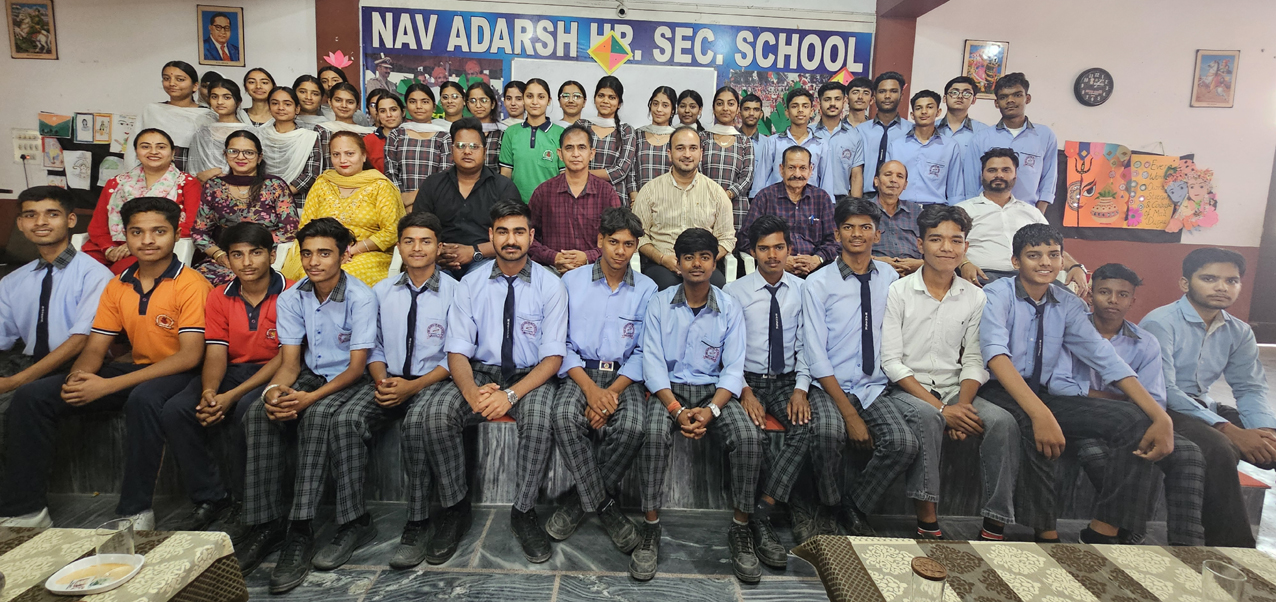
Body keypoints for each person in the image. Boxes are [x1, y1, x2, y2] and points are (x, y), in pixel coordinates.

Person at [0, 198, 210, 530]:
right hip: (136, 370)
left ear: (176, 233)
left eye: (159, 232)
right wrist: (78, 377)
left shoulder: (191, 284)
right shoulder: (118, 284)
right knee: (33, 395)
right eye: (137, 232)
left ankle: (135, 510)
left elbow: (189, 356)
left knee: (144, 399)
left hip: (180, 373)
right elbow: (95, 347)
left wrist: (108, 385)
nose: (147, 240)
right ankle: (27, 510)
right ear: (125, 235)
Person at [978, 223, 1173, 544]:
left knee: (1134, 420)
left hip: (1045, 393)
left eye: (1053, 255)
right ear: (1015, 261)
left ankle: (1104, 528)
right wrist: (1041, 414)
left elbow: (1106, 358)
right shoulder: (997, 295)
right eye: (1034, 255)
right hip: (1000, 388)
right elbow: (997, 357)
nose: (1045, 262)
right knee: (1033, 428)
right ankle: (1045, 531)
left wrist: (1160, 416)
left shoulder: (1068, 303)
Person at [234, 218, 378, 592]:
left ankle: (300, 529)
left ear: (344, 255)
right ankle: (265, 523)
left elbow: (356, 367)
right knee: (258, 414)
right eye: (308, 253)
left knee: (317, 416)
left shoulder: (361, 297)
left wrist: (308, 399)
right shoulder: (292, 297)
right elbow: (290, 364)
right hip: (311, 375)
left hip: (351, 380)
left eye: (325, 253)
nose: (314, 262)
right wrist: (274, 393)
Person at [420, 200, 567, 564]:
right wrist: (472, 392)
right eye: (502, 232)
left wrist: (511, 395)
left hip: (529, 376)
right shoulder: (470, 284)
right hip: (480, 372)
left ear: (531, 236)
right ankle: (455, 509)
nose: (510, 240)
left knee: (540, 420)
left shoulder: (551, 285)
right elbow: (457, 350)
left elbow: (553, 358)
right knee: (436, 414)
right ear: (491, 235)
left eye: (518, 232)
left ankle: (524, 511)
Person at [316, 212, 458, 570]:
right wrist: (381, 381)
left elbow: (457, 354)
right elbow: (373, 345)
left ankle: (418, 522)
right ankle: (353, 522)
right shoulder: (380, 291)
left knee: (418, 423)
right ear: (398, 246)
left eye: (425, 241)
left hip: (432, 381)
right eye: (408, 241)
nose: (417, 248)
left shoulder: (457, 292)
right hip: (387, 379)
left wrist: (414, 386)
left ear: (439, 247)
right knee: (346, 420)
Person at [879, 204, 1020, 541]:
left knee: (1004, 422)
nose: (946, 248)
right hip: (907, 389)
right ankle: (927, 520)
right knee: (929, 418)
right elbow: (891, 362)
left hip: (955, 389)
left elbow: (974, 360)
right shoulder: (898, 291)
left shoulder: (975, 297)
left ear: (965, 247)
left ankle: (995, 522)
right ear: (920, 244)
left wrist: (962, 407)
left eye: (956, 240)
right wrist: (943, 411)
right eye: (936, 239)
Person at [632, 227, 761, 583]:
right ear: (677, 263)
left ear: (714, 262)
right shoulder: (660, 303)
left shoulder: (728, 306)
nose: (697, 264)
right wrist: (675, 409)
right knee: (652, 435)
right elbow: (652, 364)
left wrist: (712, 410)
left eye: (704, 257)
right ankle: (651, 525)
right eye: (688, 257)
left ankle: (741, 527)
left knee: (748, 438)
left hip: (713, 391)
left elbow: (733, 368)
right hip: (669, 391)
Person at [1050, 263, 1206, 546]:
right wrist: (1123, 400)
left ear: (1132, 301)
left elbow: (1154, 398)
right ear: (1090, 295)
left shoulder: (1146, 343)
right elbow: (1060, 386)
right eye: (1104, 292)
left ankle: (1187, 546)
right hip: (1077, 419)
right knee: (1108, 447)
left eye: (1122, 295)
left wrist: (1132, 406)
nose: (1113, 300)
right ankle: (1116, 529)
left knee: (1190, 454)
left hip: (1127, 425)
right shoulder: (1068, 330)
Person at [158, 222, 291, 533]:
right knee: (177, 410)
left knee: (245, 410)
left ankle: (247, 503)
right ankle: (210, 497)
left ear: (271, 256)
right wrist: (210, 391)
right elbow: (216, 352)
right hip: (232, 370)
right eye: (237, 255)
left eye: (255, 253)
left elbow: (286, 357)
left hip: (277, 370)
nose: (247, 262)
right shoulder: (219, 296)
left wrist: (230, 397)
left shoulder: (291, 292)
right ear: (227, 260)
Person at [1141, 248, 1273, 548]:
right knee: (1220, 447)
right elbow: (1165, 389)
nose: (1222, 287)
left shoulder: (1239, 331)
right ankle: (1234, 551)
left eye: (1231, 281)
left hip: (1203, 406)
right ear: (1185, 283)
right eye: (1209, 278)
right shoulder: (1161, 322)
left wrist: (1264, 431)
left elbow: (1250, 388)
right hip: (1162, 408)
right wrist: (1229, 429)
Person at [0, 187, 113, 529]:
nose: (41, 222)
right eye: (30, 215)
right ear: (21, 224)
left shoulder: (95, 275)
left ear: (71, 220)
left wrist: (16, 381)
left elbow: (81, 341)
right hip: (25, 362)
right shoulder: (13, 281)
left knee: (22, 401)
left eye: (52, 214)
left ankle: (26, 510)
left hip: (77, 365)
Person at [545, 207, 655, 556]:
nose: (620, 251)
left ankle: (579, 502)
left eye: (628, 244)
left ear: (636, 247)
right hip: (579, 372)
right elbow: (560, 342)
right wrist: (591, 391)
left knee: (634, 428)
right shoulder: (571, 282)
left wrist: (611, 392)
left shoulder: (647, 289)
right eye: (613, 242)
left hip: (624, 377)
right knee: (564, 417)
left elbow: (644, 350)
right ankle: (607, 509)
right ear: (600, 241)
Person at [801, 198, 903, 537]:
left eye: (865, 227)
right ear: (837, 234)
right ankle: (827, 506)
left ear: (877, 234)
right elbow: (815, 354)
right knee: (828, 434)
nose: (856, 234)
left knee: (902, 442)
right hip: (829, 385)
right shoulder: (817, 283)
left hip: (873, 385)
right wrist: (850, 415)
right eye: (848, 227)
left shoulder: (889, 277)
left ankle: (855, 505)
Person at [724, 216, 821, 550]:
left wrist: (801, 389)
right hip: (747, 380)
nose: (772, 255)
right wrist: (744, 391)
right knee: (753, 436)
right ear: (753, 252)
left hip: (786, 381)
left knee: (805, 427)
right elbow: (729, 350)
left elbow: (807, 345)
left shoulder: (803, 290)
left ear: (789, 248)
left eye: (779, 247)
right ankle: (782, 508)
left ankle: (764, 506)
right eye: (764, 249)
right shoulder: (734, 292)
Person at [956, 149, 1088, 294]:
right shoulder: (964, 210)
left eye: (1006, 170)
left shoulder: (1031, 212)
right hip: (984, 278)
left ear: (1015, 175)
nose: (999, 175)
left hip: (1029, 278)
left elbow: (1052, 245)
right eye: (992, 170)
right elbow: (951, 244)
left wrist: (1075, 267)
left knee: (1070, 301)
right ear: (982, 175)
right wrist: (964, 264)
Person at [283, 131, 404, 287]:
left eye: (349, 154)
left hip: (367, 254)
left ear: (363, 155)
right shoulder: (323, 183)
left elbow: (392, 231)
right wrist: (326, 252)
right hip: (319, 250)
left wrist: (350, 250)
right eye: (336, 154)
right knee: (309, 271)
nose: (342, 160)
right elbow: (306, 226)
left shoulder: (380, 186)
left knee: (342, 275)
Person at [414, 118, 522, 276]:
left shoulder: (503, 187)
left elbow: (515, 237)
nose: (467, 151)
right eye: (460, 146)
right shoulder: (433, 184)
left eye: (474, 146)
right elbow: (417, 229)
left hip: (486, 260)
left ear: (484, 151)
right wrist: (437, 252)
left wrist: (474, 252)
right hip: (439, 260)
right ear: (452, 150)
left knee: (480, 280)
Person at [85, 129, 201, 274]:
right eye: (145, 146)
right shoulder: (116, 183)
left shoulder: (187, 183)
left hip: (154, 248)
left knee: (121, 272)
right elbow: (97, 227)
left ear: (172, 153)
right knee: (82, 269)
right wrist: (108, 248)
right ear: (136, 152)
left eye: (161, 147)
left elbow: (191, 225)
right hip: (110, 248)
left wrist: (135, 243)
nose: (153, 152)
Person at [632, 126, 735, 289]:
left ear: (700, 153)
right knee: (666, 287)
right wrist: (661, 258)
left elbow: (727, 239)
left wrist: (703, 260)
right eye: (680, 148)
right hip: (662, 264)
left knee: (717, 288)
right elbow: (638, 236)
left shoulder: (716, 193)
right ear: (669, 153)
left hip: (704, 266)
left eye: (693, 148)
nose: (687, 154)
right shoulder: (650, 191)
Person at [192, 130, 297, 285]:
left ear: (259, 157)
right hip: (226, 258)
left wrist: (255, 249)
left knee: (244, 279)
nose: (240, 157)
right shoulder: (214, 186)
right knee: (197, 281)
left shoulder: (275, 186)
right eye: (233, 151)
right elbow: (199, 232)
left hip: (263, 257)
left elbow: (290, 230)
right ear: (225, 154)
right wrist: (219, 255)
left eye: (248, 152)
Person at [528, 124, 621, 272]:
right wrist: (554, 257)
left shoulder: (607, 193)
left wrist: (587, 257)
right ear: (560, 153)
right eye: (569, 148)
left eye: (582, 147)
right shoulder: (543, 192)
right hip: (551, 271)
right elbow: (528, 237)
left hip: (595, 270)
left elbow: (618, 239)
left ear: (592, 153)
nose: (575, 154)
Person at [964, 73, 1058, 213]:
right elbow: (971, 184)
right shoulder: (981, 138)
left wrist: (1038, 214)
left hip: (1028, 212)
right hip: (987, 213)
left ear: (1027, 98)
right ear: (996, 103)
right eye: (1003, 97)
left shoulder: (1044, 135)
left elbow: (1049, 179)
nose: (1010, 100)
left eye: (1017, 95)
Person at [736, 146, 838, 276]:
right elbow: (745, 239)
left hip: (816, 271)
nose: (797, 174)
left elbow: (834, 240)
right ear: (781, 169)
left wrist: (817, 259)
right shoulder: (765, 197)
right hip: (774, 271)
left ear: (810, 170)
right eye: (791, 168)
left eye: (803, 168)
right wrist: (779, 260)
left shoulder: (821, 198)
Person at [126, 61, 216, 171]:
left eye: (180, 79)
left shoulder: (207, 116)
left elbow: (211, 153)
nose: (172, 83)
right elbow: (133, 148)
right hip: (153, 173)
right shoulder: (152, 111)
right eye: (166, 78)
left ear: (195, 86)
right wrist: (132, 175)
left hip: (194, 173)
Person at [256, 86, 327, 210]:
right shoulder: (259, 135)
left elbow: (311, 174)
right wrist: (266, 194)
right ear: (269, 107)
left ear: (297, 109)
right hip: (260, 199)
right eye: (275, 103)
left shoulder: (308, 137)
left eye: (287, 104)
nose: (281, 108)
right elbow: (252, 168)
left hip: (297, 202)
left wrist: (280, 193)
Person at [890, 90, 965, 205]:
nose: (924, 112)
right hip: (901, 208)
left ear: (938, 112)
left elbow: (955, 189)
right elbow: (887, 182)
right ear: (912, 114)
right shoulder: (896, 145)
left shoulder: (950, 146)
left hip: (936, 209)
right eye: (918, 108)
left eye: (929, 107)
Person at [386, 83, 453, 211]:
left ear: (434, 107)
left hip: (433, 206)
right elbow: (391, 173)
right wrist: (401, 201)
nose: (418, 106)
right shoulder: (396, 135)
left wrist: (412, 198)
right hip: (399, 206)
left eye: (424, 102)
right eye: (413, 102)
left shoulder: (444, 137)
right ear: (406, 107)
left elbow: (443, 176)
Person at [499, 78, 565, 204]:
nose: (535, 102)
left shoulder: (561, 134)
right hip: (517, 206)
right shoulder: (511, 133)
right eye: (529, 96)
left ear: (549, 101)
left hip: (551, 205)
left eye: (541, 97)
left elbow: (564, 176)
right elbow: (505, 174)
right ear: (523, 99)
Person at [700, 86, 756, 229]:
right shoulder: (702, 138)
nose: (725, 108)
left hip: (736, 207)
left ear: (737, 109)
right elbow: (696, 171)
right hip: (703, 204)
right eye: (720, 103)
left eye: (730, 104)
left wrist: (728, 194)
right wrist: (711, 196)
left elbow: (747, 177)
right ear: (713, 109)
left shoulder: (745, 142)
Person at [754, 88, 824, 198]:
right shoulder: (774, 142)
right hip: (776, 202)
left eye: (805, 106)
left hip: (810, 202)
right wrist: (755, 198)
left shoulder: (820, 144)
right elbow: (761, 177)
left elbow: (825, 181)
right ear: (787, 113)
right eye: (795, 106)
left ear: (811, 111)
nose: (800, 110)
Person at [579, 76, 636, 201]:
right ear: (595, 99)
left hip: (614, 198)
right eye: (601, 96)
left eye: (612, 97)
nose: (605, 101)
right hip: (582, 194)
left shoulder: (626, 131)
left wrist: (581, 174)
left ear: (619, 103)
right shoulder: (581, 126)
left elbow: (621, 171)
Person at [856, 72, 913, 196]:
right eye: (882, 91)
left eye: (893, 91)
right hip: (866, 197)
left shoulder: (911, 131)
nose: (887, 96)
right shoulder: (860, 131)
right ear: (874, 96)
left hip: (899, 197)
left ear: (901, 96)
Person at [812, 81, 865, 199]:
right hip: (811, 199)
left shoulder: (854, 136)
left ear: (844, 101)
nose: (832, 103)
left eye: (837, 99)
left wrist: (855, 205)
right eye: (827, 99)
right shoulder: (809, 134)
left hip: (842, 200)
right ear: (819, 103)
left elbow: (856, 176)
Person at [871, 160, 924, 275]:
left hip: (914, 274)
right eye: (888, 174)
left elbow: (932, 246)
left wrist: (921, 264)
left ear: (905, 185)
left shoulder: (916, 211)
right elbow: (847, 250)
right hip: (874, 273)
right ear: (876, 181)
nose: (893, 180)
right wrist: (876, 261)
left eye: (900, 176)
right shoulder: (862, 210)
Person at [626, 86, 677, 206]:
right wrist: (635, 199)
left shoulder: (677, 137)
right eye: (655, 104)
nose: (659, 109)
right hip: (639, 202)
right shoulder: (637, 134)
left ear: (672, 110)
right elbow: (630, 169)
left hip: (671, 203)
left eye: (665, 105)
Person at [189, 79, 248, 182]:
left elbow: (252, 166)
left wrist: (218, 172)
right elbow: (194, 170)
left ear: (238, 102)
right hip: (207, 187)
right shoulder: (202, 133)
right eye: (214, 97)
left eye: (227, 97)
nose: (220, 102)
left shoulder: (250, 132)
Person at [937, 76, 988, 153]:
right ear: (944, 98)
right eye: (954, 92)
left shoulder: (983, 131)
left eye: (966, 93)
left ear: (973, 100)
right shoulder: (932, 128)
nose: (960, 96)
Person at [465, 81, 503, 167]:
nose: (478, 105)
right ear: (468, 105)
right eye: (473, 101)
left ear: (492, 104)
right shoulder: (463, 131)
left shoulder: (503, 133)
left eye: (484, 100)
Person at [366, 92, 404, 173]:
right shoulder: (368, 141)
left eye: (393, 110)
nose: (389, 115)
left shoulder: (412, 137)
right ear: (378, 115)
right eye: (383, 111)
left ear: (403, 112)